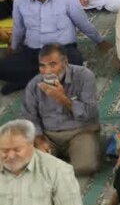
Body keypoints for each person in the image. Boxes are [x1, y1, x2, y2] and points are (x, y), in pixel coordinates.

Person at [1, 0, 108, 93]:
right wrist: (14, 46)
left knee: (74, 63)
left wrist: (100, 41)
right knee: (3, 68)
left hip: (62, 50)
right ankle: (43, 80)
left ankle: (27, 81)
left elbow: (83, 23)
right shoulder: (20, 1)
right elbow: (19, 28)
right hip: (32, 52)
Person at [21, 43, 100, 176]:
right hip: (48, 135)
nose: (47, 71)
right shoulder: (34, 84)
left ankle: (61, 163)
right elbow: (29, 116)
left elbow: (90, 114)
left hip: (80, 132)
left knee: (86, 166)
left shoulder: (84, 76)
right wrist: (39, 139)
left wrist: (62, 99)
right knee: (31, 165)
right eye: (42, 66)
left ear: (65, 62)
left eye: (53, 65)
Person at [0, 119, 82, 205]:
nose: (11, 156)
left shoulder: (56, 169)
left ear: (31, 144)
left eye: (17, 150)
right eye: (4, 150)